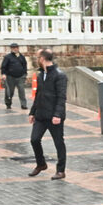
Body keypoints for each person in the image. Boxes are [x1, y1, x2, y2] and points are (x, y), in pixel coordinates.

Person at [28, 49, 67, 179]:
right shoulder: (40, 75)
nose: (36, 60)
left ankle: (61, 170)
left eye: (38, 57)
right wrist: (32, 112)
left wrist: (57, 115)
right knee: (34, 139)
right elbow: (38, 94)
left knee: (58, 142)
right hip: (40, 114)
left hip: (54, 116)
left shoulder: (59, 75)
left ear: (43, 59)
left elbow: (62, 97)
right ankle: (41, 164)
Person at [0, 42, 28, 111]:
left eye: (16, 47)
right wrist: (3, 74)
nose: (15, 49)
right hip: (10, 77)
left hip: (20, 77)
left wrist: (25, 74)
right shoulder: (7, 57)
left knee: (22, 91)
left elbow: (25, 66)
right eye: (13, 48)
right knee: (9, 92)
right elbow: (3, 66)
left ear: (18, 48)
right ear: (11, 49)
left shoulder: (21, 57)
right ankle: (8, 104)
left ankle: (23, 105)